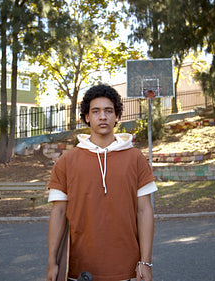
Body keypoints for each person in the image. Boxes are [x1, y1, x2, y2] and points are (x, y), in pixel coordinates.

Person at [46, 84, 157, 281]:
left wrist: (145, 262)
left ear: (117, 116)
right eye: (95, 111)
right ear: (87, 117)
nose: (103, 117)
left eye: (109, 111)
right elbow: (59, 212)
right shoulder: (67, 161)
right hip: (78, 271)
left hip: (127, 269)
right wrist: (52, 263)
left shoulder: (136, 158)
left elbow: (144, 210)